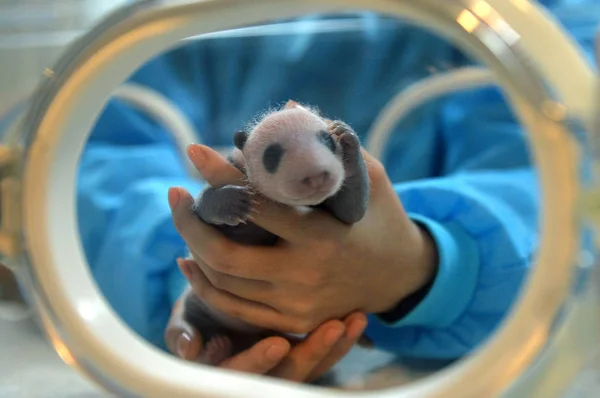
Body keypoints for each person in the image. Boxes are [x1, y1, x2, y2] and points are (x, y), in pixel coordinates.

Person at [77, 1, 599, 383]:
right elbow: (78, 168)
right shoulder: (161, 24)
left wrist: (430, 262)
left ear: (340, 142)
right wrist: (217, 275)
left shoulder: (540, 20)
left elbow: (564, 180)